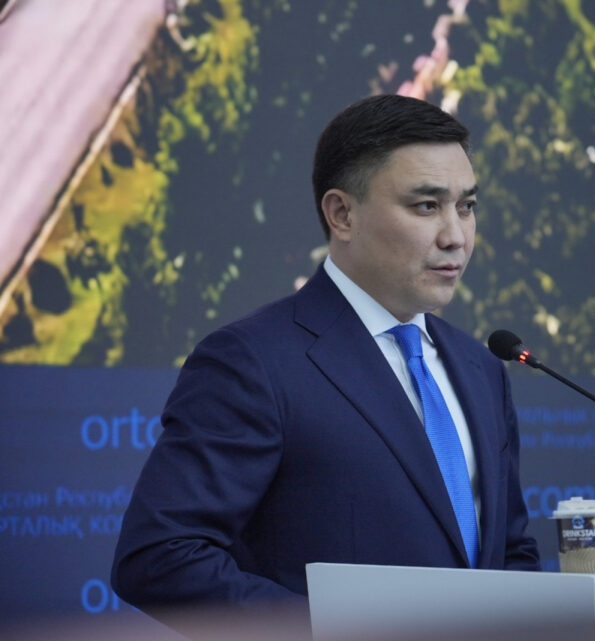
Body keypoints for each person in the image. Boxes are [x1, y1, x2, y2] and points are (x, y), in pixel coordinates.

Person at [111, 94, 540, 619]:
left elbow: (511, 553)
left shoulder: (480, 369)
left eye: (466, 207)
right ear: (342, 214)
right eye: (426, 206)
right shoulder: (252, 362)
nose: (455, 236)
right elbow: (159, 558)